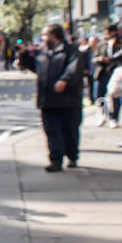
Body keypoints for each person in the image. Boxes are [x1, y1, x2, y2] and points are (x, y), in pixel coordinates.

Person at [35, 23, 84, 170]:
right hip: (48, 100)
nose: (43, 38)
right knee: (51, 131)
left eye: (45, 35)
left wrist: (64, 80)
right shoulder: (43, 52)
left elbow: (74, 68)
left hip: (67, 100)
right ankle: (55, 160)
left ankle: (72, 157)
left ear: (54, 36)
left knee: (70, 130)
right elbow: (36, 67)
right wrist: (23, 56)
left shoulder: (71, 51)